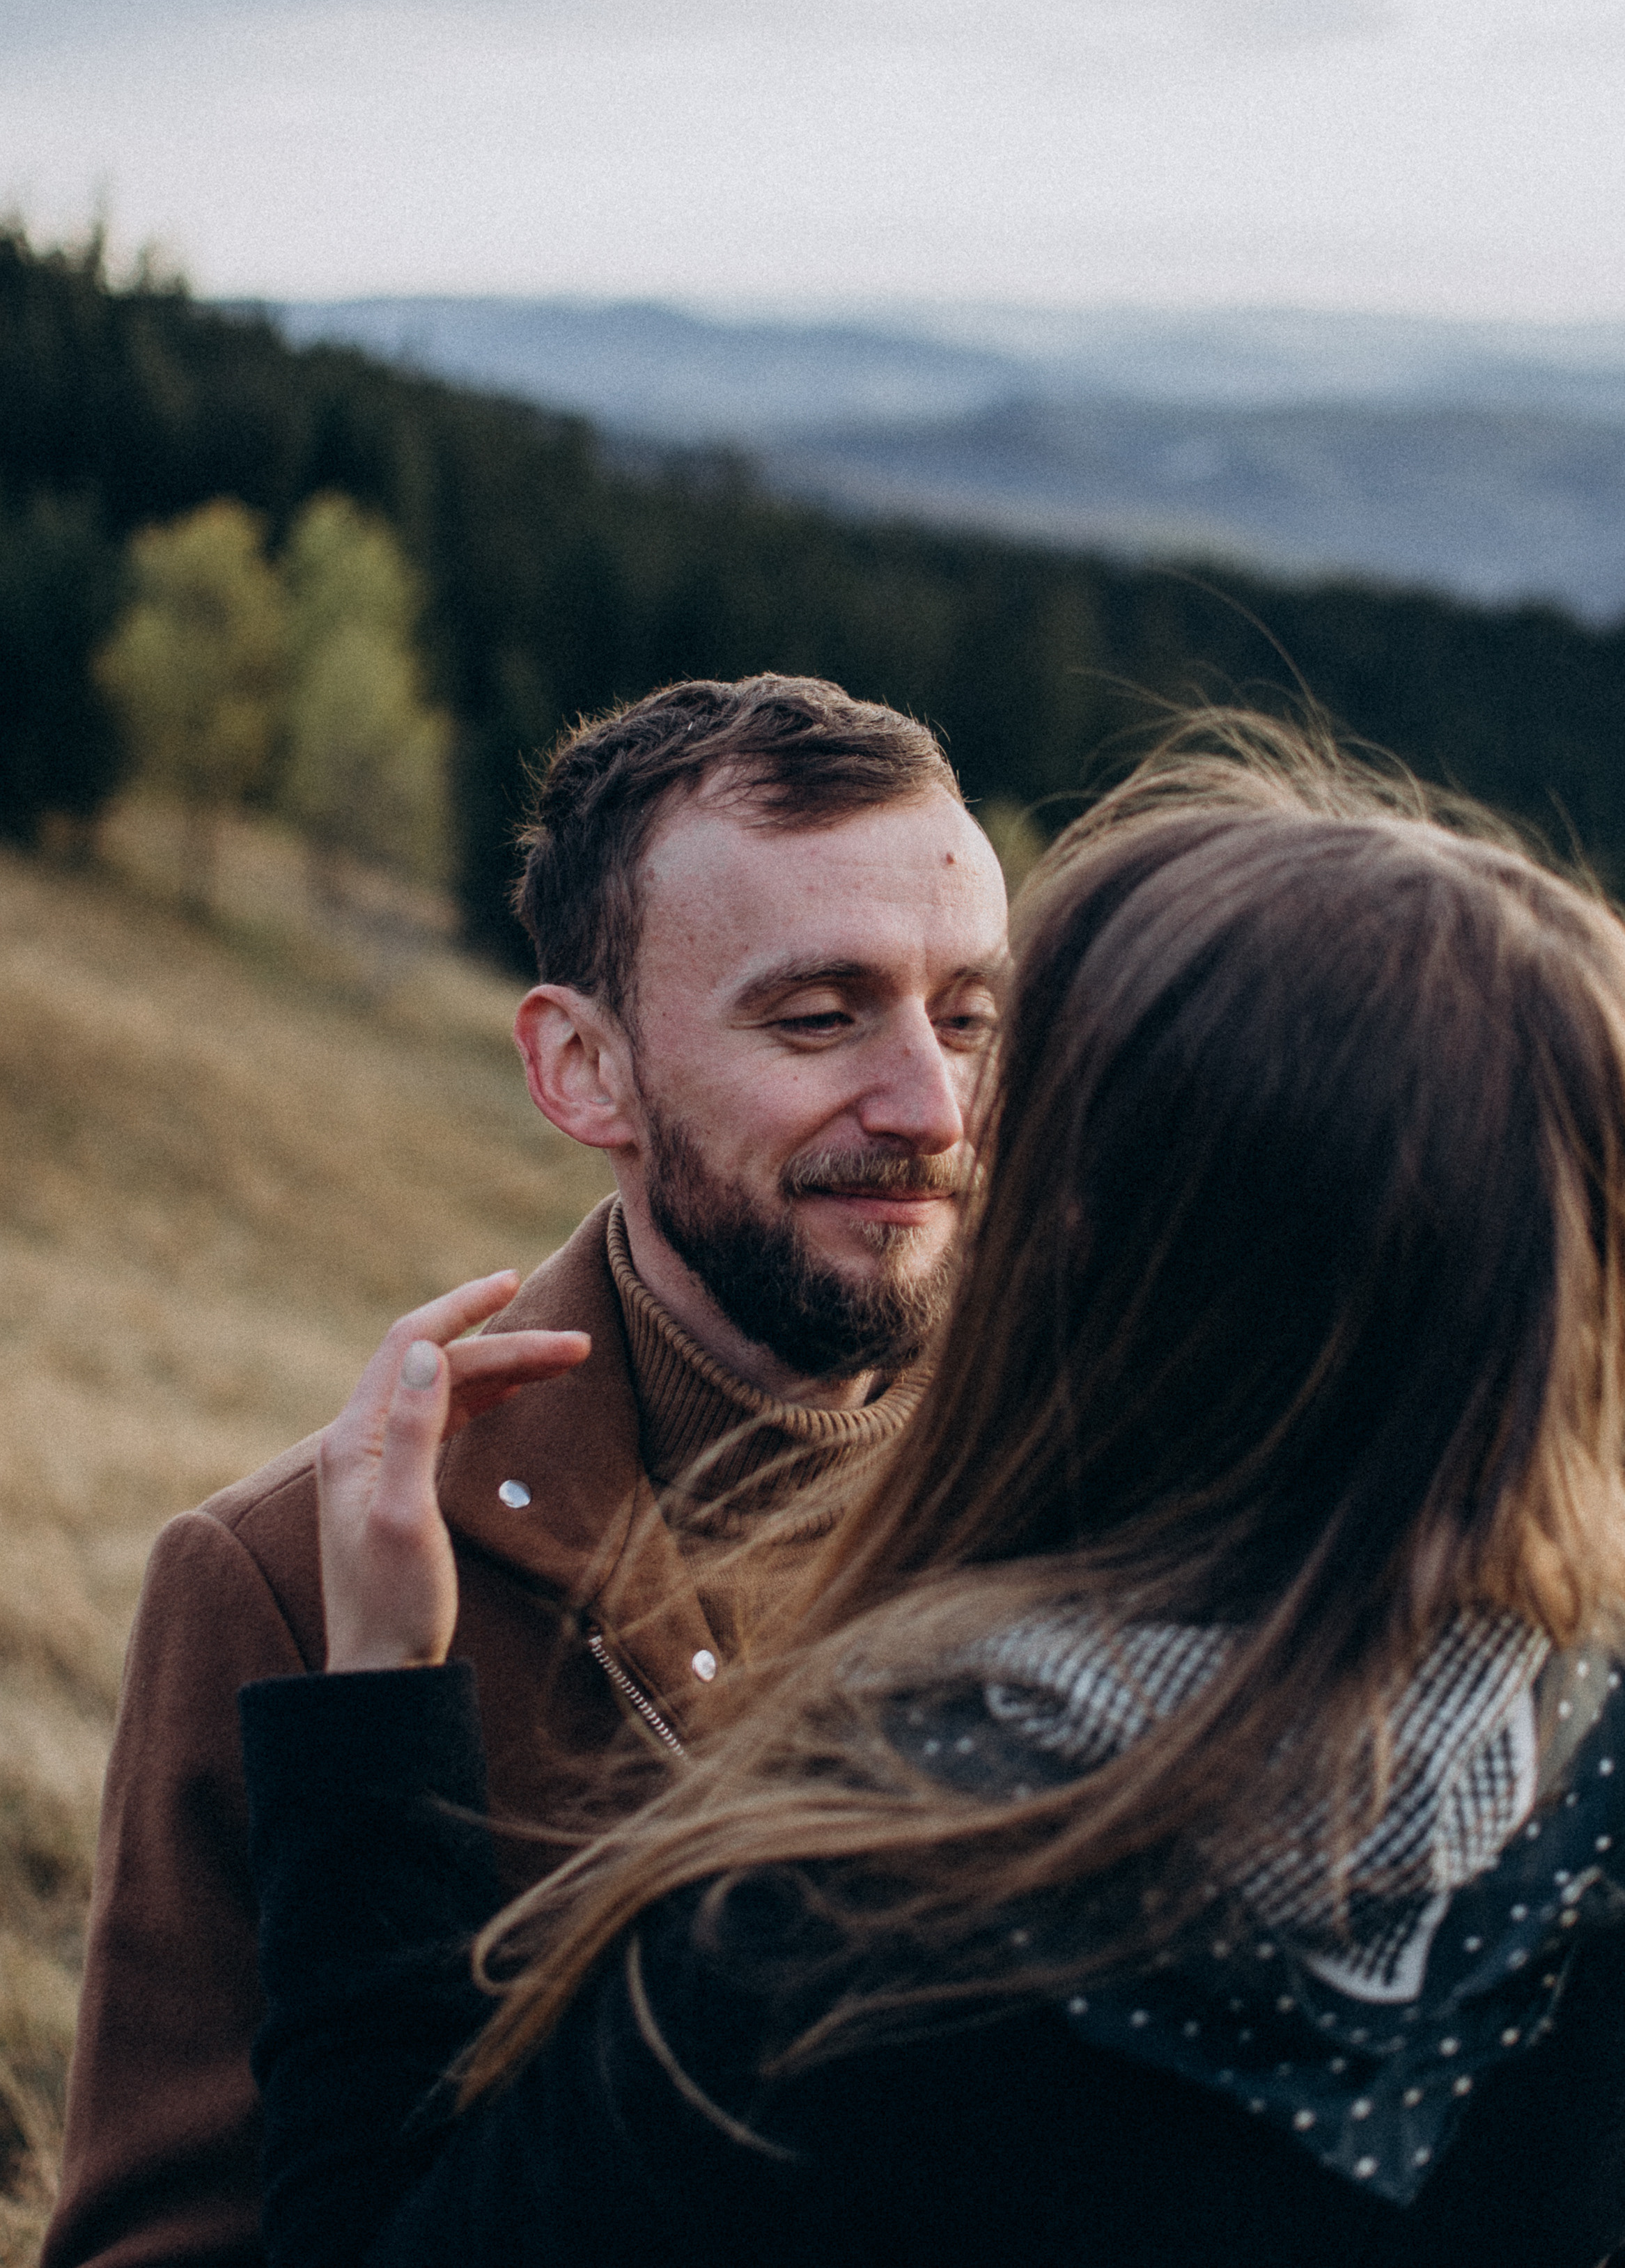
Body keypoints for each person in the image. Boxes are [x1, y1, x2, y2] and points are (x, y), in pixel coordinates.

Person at [243, 726, 1625, 2268]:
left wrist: (375, 1722)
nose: (947, 1117)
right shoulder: (1588, 1803)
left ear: (1106, 1251)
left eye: (988, 1041)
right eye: (822, 1015)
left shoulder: (846, 1938)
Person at [43, 673, 1009, 2268]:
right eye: (819, 1016)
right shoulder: (285, 1582)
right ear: (585, 1071)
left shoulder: (1110, 1506)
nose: (933, 1105)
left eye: (967, 1013)